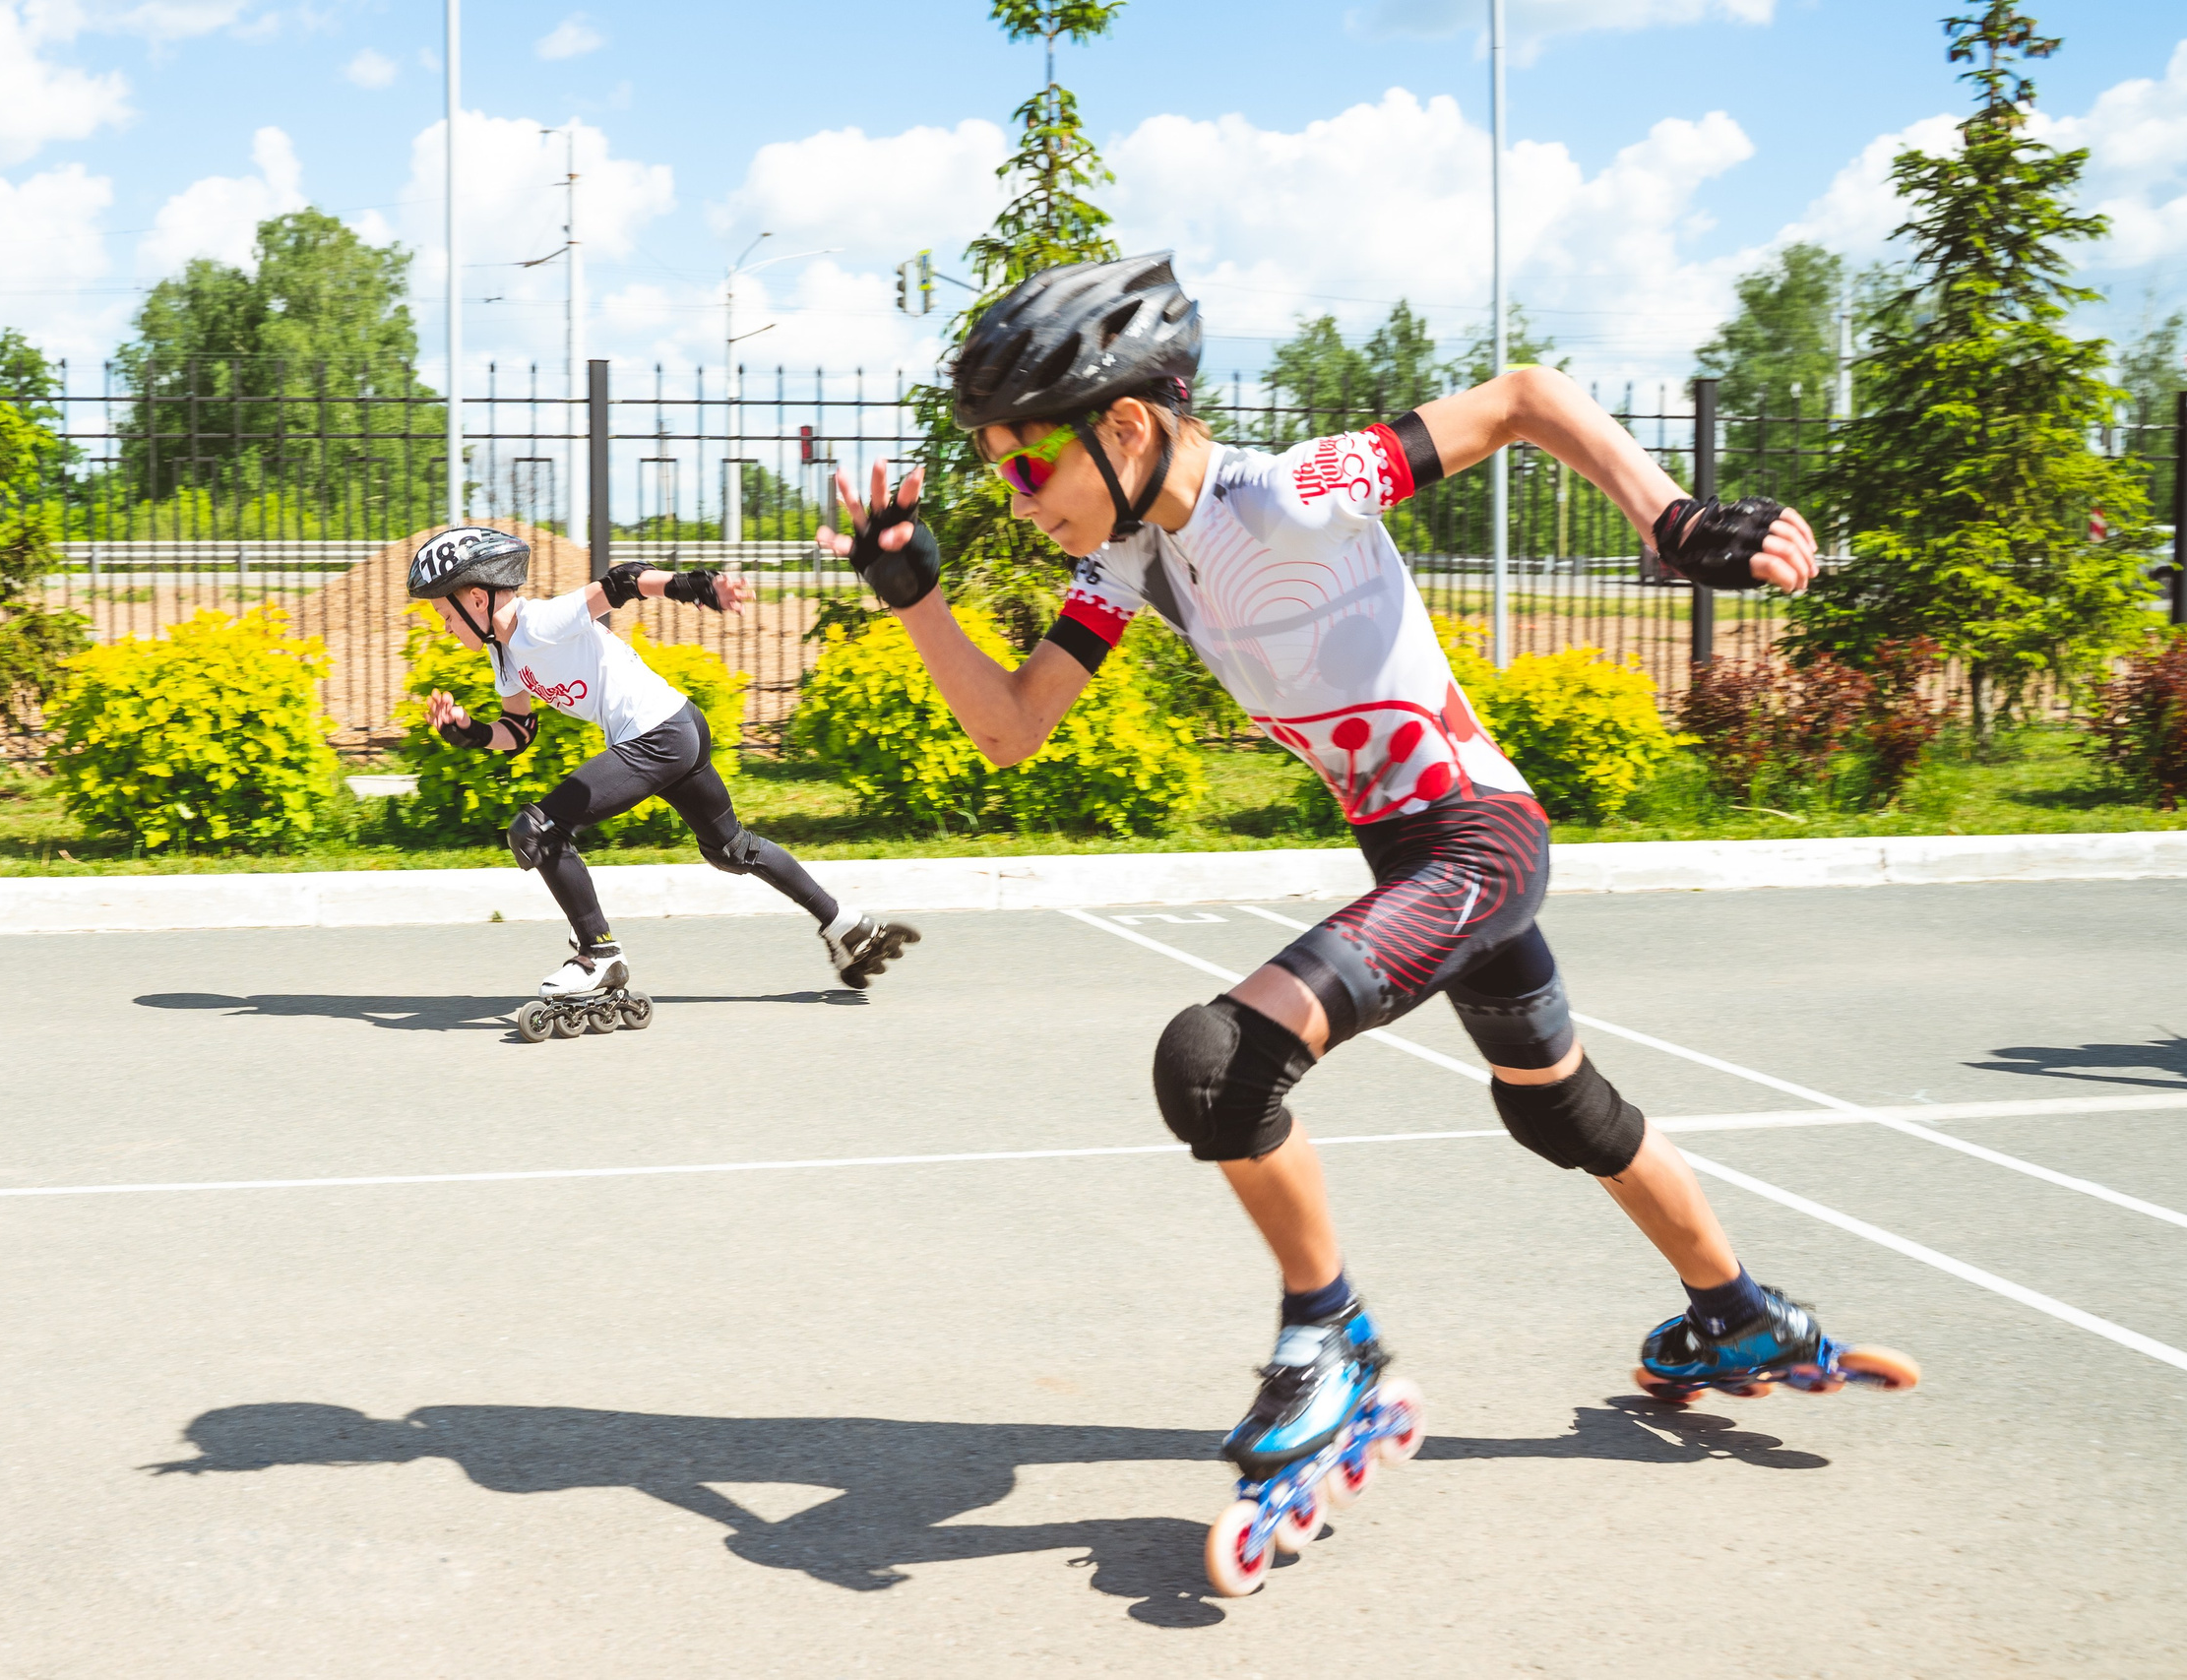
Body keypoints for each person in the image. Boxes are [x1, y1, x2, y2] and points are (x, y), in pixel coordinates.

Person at [815, 254, 1913, 1497]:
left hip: (1477, 840)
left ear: (1123, 426)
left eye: (1024, 463)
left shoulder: (1288, 494)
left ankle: (1329, 1333)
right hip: (1416, 856)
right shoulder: (1133, 565)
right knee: (1556, 1106)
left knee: (1216, 1066)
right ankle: (1734, 1315)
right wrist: (911, 597)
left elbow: (1521, 396)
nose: (1016, 501)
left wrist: (1668, 518)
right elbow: (1012, 727)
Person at [407, 526, 919, 997]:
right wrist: (465, 732)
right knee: (731, 849)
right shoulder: (506, 655)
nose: (447, 627)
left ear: (477, 596)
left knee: (536, 829)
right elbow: (518, 733)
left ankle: (598, 955)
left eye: (447, 614)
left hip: (659, 735)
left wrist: (694, 586)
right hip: (678, 726)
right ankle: (847, 926)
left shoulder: (537, 622)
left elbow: (622, 583)